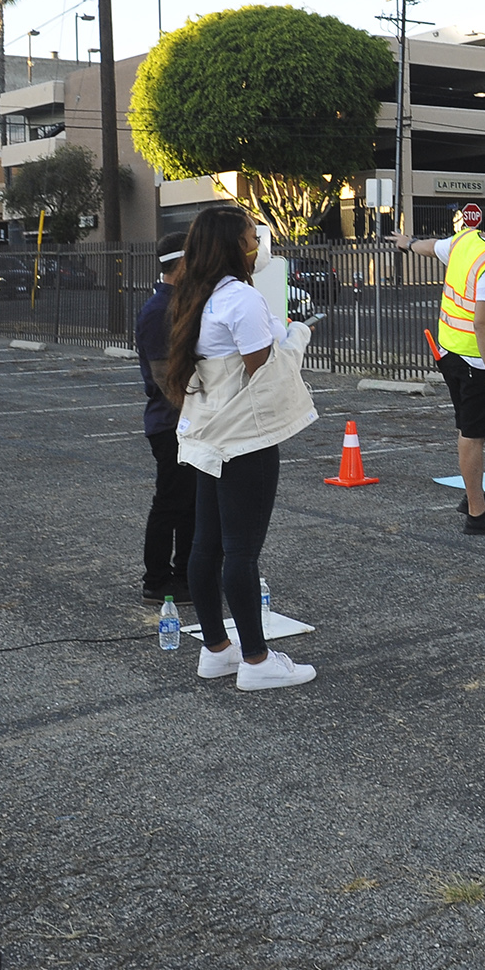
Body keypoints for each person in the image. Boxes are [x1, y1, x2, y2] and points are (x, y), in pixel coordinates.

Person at [163, 205, 320, 691]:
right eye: (253, 238)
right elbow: (262, 374)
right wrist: (297, 337)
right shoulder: (241, 299)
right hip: (243, 439)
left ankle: (217, 650)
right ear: (233, 246)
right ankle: (256, 659)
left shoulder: (196, 294)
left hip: (208, 434)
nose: (258, 246)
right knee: (241, 552)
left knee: (205, 546)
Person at [395, 198, 485, 535]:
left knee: (467, 429)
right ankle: (477, 514)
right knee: (473, 436)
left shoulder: (466, 240)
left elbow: (432, 247)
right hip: (476, 362)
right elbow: (482, 322)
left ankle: (474, 496)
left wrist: (408, 243)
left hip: (450, 353)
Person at [135, 231, 195, 604]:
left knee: (191, 504)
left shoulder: (179, 304)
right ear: (183, 264)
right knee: (172, 502)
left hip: (184, 421)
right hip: (171, 424)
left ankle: (186, 575)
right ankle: (156, 580)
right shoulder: (159, 310)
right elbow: (163, 377)